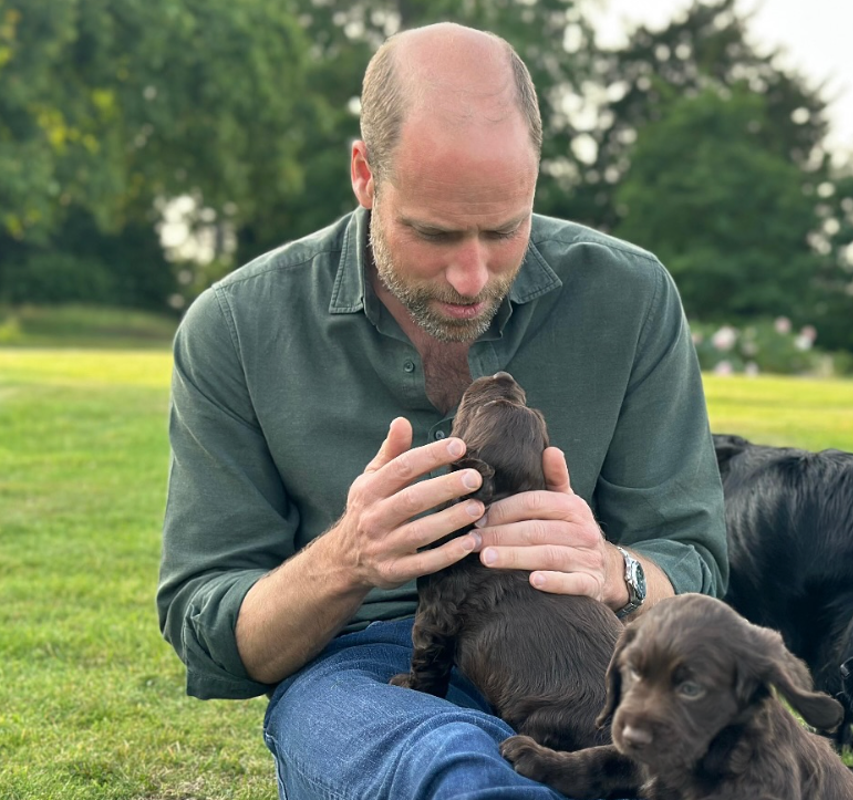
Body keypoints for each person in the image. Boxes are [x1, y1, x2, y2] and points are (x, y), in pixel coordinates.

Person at [156, 21, 728, 800]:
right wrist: (346, 558)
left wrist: (613, 569)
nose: (471, 275)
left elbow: (693, 559)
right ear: (364, 174)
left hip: (584, 658)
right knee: (456, 774)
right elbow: (210, 628)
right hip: (367, 669)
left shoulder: (631, 297)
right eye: (432, 233)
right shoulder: (236, 328)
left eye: (504, 229)